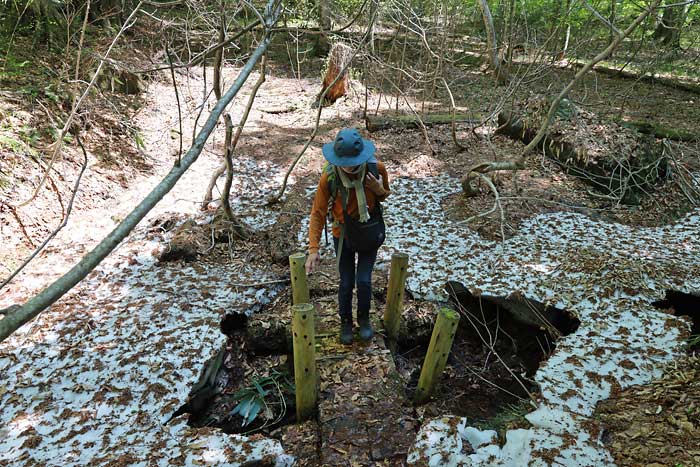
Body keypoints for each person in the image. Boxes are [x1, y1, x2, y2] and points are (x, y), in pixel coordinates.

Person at [305, 128, 391, 345]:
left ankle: (363, 319)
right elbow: (318, 213)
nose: (348, 166)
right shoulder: (330, 178)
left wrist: (377, 187)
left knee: (363, 280)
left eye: (352, 161)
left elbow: (384, 196)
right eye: (343, 162)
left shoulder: (376, 169)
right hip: (342, 235)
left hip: (369, 231)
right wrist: (313, 250)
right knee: (346, 282)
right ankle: (345, 321)